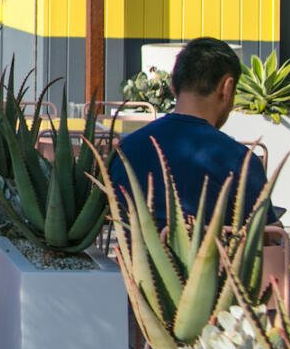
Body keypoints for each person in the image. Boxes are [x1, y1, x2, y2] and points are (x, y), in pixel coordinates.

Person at [109, 37, 275, 231]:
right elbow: (269, 243)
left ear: (173, 86)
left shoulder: (125, 152)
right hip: (218, 262)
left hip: (133, 261)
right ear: (227, 88)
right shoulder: (242, 161)